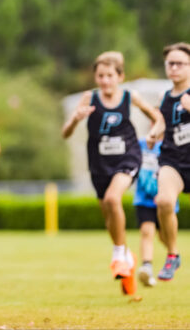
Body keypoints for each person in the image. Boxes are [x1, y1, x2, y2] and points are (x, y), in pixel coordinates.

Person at [62, 51, 161, 295]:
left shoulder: (130, 97)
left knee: (112, 199)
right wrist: (75, 119)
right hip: (99, 164)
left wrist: (153, 133)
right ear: (95, 77)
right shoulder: (89, 98)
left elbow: (157, 117)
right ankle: (126, 256)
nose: (105, 81)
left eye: (110, 76)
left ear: (120, 76)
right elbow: (65, 133)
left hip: (127, 158)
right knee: (108, 216)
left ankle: (118, 254)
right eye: (100, 76)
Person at [149, 42, 190, 281]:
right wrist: (154, 132)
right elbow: (163, 122)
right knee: (164, 201)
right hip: (173, 160)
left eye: (180, 63)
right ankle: (172, 255)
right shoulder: (166, 97)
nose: (174, 68)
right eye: (170, 63)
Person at [134, 137, 176, 287]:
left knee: (165, 237)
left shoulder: (171, 145)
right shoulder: (140, 144)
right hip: (144, 199)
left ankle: (173, 256)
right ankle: (147, 267)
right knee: (147, 231)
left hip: (165, 199)